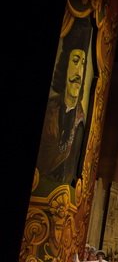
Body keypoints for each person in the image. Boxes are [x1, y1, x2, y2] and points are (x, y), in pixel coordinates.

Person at [36, 20, 92, 185]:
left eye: (83, 64)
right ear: (65, 65)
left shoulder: (81, 120)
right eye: (75, 61)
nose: (79, 72)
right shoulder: (50, 108)